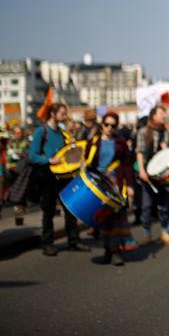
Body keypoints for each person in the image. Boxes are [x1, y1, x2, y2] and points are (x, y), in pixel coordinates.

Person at [28, 103, 90, 256]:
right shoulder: (41, 131)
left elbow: (68, 154)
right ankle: (47, 244)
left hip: (65, 176)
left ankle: (74, 240)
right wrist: (49, 160)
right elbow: (32, 156)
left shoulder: (63, 133)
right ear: (53, 114)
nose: (64, 115)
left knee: (70, 208)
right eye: (62, 113)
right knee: (48, 210)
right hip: (48, 176)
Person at [84, 111, 137, 265]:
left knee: (116, 218)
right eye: (106, 124)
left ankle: (116, 252)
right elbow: (87, 164)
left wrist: (130, 186)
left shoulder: (120, 142)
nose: (109, 128)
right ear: (101, 125)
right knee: (104, 219)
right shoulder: (93, 142)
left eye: (112, 125)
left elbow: (127, 166)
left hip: (116, 184)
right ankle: (108, 250)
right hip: (98, 185)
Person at [136, 105, 169, 246]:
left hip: (163, 175)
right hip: (148, 174)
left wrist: (167, 150)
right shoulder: (143, 132)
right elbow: (140, 152)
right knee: (146, 206)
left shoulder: (167, 132)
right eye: (161, 113)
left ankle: (165, 231)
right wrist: (141, 170)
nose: (163, 116)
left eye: (164, 113)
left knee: (164, 205)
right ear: (153, 115)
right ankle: (147, 233)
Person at [4, 127, 29, 225]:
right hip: (12, 169)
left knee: (21, 192)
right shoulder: (10, 143)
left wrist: (22, 155)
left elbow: (28, 154)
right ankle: (16, 209)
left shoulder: (26, 143)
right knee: (13, 189)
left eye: (19, 133)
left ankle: (20, 213)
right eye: (16, 133)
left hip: (22, 169)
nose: (18, 134)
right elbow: (8, 155)